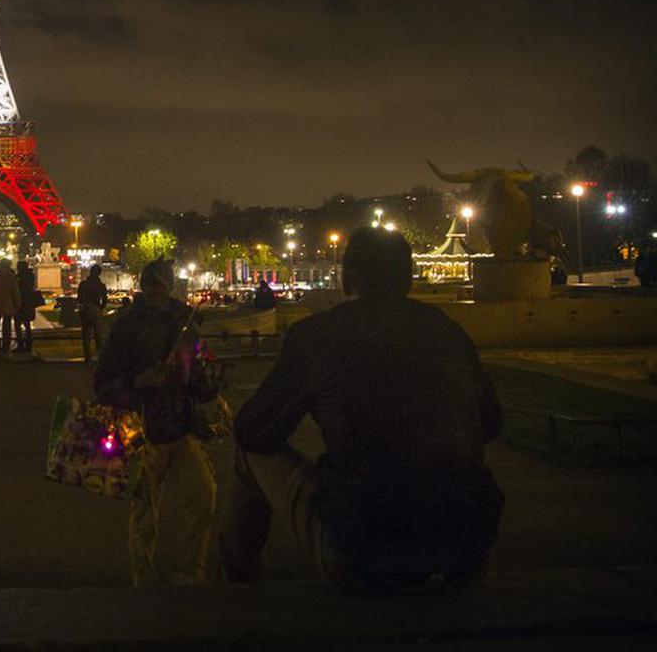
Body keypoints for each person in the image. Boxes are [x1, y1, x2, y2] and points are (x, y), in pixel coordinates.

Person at [220, 227, 503, 595]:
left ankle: (237, 591)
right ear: (408, 277)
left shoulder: (318, 337)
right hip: (465, 550)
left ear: (347, 277)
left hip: (366, 550)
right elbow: (491, 424)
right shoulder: (446, 331)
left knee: (247, 457)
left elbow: (254, 431)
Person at [93, 260, 218, 586]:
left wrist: (197, 376)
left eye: (158, 286)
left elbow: (202, 380)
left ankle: (188, 574)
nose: (152, 293)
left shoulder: (185, 327)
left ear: (169, 287)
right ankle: (146, 582)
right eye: (149, 286)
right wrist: (139, 381)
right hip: (142, 431)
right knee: (145, 517)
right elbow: (103, 385)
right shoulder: (127, 327)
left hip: (179, 428)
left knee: (204, 496)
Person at [78, 264, 109, 365]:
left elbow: (79, 299)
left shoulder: (83, 284)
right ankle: (100, 359)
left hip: (86, 311)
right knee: (98, 336)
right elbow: (105, 300)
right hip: (96, 311)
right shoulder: (101, 286)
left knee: (86, 337)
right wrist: (100, 308)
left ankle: (88, 359)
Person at [13, 260, 40, 353]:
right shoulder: (30, 276)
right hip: (28, 304)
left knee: (18, 325)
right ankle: (28, 345)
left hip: (21, 304)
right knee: (27, 325)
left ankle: (21, 345)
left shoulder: (20, 278)